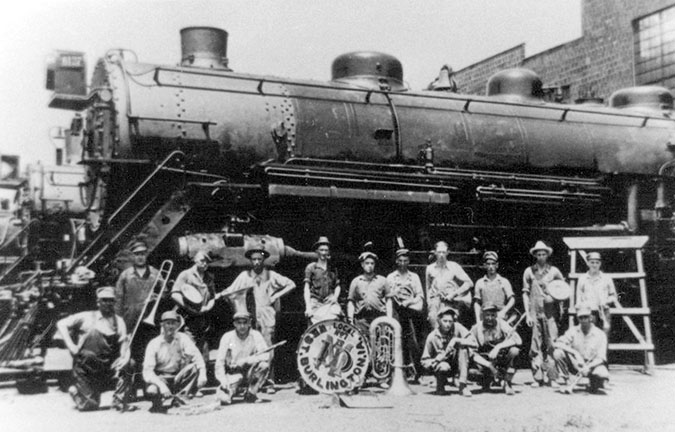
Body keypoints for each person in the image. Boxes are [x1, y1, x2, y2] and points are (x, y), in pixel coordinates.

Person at [221, 243, 295, 392]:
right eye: (253, 259)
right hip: (250, 318)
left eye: (259, 259)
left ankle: (268, 381)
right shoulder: (244, 276)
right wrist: (220, 295)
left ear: (263, 260)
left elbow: (291, 284)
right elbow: (231, 290)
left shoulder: (271, 275)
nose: (256, 262)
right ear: (250, 261)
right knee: (251, 349)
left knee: (268, 348)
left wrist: (276, 295)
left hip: (266, 316)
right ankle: (252, 382)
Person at [56, 286, 132, 411]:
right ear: (98, 302)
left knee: (130, 364)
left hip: (107, 367)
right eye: (104, 300)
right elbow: (61, 323)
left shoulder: (119, 321)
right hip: (86, 369)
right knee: (89, 406)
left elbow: (124, 344)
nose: (108, 303)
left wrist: (124, 358)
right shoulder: (85, 317)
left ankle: (119, 400)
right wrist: (71, 346)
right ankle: (75, 391)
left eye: (111, 300)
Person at [114, 241, 163, 397]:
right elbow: (118, 300)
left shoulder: (156, 273)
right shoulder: (125, 275)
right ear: (133, 256)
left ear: (146, 255)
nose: (140, 257)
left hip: (150, 324)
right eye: (137, 254)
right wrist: (119, 323)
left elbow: (165, 294)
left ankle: (149, 388)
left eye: (143, 253)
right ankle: (132, 390)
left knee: (149, 356)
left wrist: (158, 296)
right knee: (131, 357)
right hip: (130, 322)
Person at [142, 311, 207, 413]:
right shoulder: (154, 343)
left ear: (177, 325)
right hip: (161, 377)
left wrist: (203, 374)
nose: (171, 327)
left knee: (193, 368)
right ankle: (157, 403)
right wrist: (162, 386)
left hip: (177, 376)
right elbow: (147, 372)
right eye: (168, 323)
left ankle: (180, 400)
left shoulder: (183, 338)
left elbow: (197, 356)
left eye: (173, 323)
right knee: (152, 391)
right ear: (162, 325)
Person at [522, 240, 565, 387]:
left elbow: (563, 290)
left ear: (547, 255)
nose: (541, 256)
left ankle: (552, 377)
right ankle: (537, 377)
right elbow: (525, 293)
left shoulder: (554, 271)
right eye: (538, 254)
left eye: (543, 254)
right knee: (535, 345)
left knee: (551, 343)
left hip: (550, 312)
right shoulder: (529, 271)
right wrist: (527, 313)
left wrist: (554, 298)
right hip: (534, 311)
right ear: (535, 255)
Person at [215, 311, 270, 405]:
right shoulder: (227, 337)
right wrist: (223, 380)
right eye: (239, 323)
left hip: (250, 371)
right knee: (225, 400)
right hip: (234, 373)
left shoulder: (255, 335)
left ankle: (251, 394)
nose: (242, 326)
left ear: (249, 323)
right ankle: (232, 391)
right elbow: (219, 362)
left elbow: (266, 355)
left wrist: (246, 361)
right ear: (234, 324)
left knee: (264, 366)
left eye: (245, 323)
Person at [386, 247, 424, 382]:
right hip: (397, 311)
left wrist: (409, 302)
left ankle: (417, 372)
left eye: (405, 260)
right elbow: (388, 296)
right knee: (396, 340)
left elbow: (420, 295)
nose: (403, 263)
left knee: (412, 342)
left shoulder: (414, 277)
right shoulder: (391, 277)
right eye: (400, 260)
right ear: (396, 261)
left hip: (411, 311)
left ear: (409, 261)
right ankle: (395, 372)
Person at [553, 304, 609, 394]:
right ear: (578, 318)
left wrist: (588, 367)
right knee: (558, 353)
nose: (583, 320)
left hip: (592, 366)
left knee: (602, 373)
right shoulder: (573, 330)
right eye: (581, 317)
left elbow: (601, 358)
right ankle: (568, 381)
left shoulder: (600, 334)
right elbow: (558, 343)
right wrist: (575, 353)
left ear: (591, 317)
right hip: (577, 364)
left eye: (586, 317)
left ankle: (595, 383)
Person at [469, 302, 522, 395]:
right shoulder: (475, 328)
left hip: (500, 359)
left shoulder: (502, 324)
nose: (490, 318)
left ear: (496, 315)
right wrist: (489, 365)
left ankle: (507, 382)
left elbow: (518, 340)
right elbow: (472, 353)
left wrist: (498, 347)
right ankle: (486, 381)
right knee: (472, 372)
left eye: (493, 315)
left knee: (514, 351)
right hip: (485, 362)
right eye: (487, 315)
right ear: (482, 315)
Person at [421, 306, 474, 397]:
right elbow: (424, 360)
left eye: (450, 321)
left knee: (463, 348)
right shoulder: (432, 336)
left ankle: (462, 385)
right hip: (442, 366)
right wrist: (434, 361)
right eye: (445, 321)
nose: (448, 324)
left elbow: (474, 343)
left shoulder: (457, 327)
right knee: (443, 367)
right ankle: (440, 385)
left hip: (458, 364)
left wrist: (456, 340)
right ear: (439, 321)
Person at [171, 251, 215, 358]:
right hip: (188, 319)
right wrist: (189, 308)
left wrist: (207, 308)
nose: (205, 264)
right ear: (195, 260)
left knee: (204, 356)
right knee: (189, 353)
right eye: (202, 261)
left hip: (203, 320)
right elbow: (174, 294)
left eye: (207, 262)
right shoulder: (185, 275)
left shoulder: (209, 277)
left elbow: (213, 297)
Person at [425, 241, 473, 328]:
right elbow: (428, 288)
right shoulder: (430, 268)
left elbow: (469, 283)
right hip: (436, 302)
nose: (441, 255)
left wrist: (454, 294)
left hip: (451, 302)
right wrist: (429, 305)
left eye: (444, 252)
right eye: (439, 252)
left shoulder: (454, 266)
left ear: (448, 252)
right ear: (435, 252)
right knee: (433, 320)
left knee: (450, 324)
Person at [347, 250, 393, 337]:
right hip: (361, 321)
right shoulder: (356, 281)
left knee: (379, 344)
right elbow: (351, 301)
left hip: (379, 319)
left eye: (372, 263)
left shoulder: (382, 280)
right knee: (362, 346)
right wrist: (350, 320)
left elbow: (388, 300)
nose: (370, 266)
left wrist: (389, 319)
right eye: (367, 263)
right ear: (362, 264)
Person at [575, 252, 617, 338]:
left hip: (604, 312)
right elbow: (578, 298)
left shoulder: (606, 278)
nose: (594, 265)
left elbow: (613, 296)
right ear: (587, 263)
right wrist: (581, 308)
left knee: (604, 337)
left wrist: (606, 301)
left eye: (597, 262)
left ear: (600, 264)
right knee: (589, 337)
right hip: (589, 312)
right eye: (592, 262)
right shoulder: (582, 279)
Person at [303, 236, 342, 323]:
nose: (323, 253)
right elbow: (306, 288)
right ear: (317, 251)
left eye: (326, 250)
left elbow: (337, 286)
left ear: (329, 252)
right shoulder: (311, 267)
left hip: (329, 302)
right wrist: (308, 307)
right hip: (315, 302)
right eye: (321, 250)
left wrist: (335, 297)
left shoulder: (332, 269)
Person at [473, 251, 515, 323]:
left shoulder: (504, 281)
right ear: (485, 265)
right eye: (488, 264)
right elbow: (477, 303)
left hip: (500, 317)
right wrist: (478, 319)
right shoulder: (480, 283)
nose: (491, 266)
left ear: (497, 265)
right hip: (485, 318)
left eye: (493, 264)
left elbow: (512, 299)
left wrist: (503, 312)